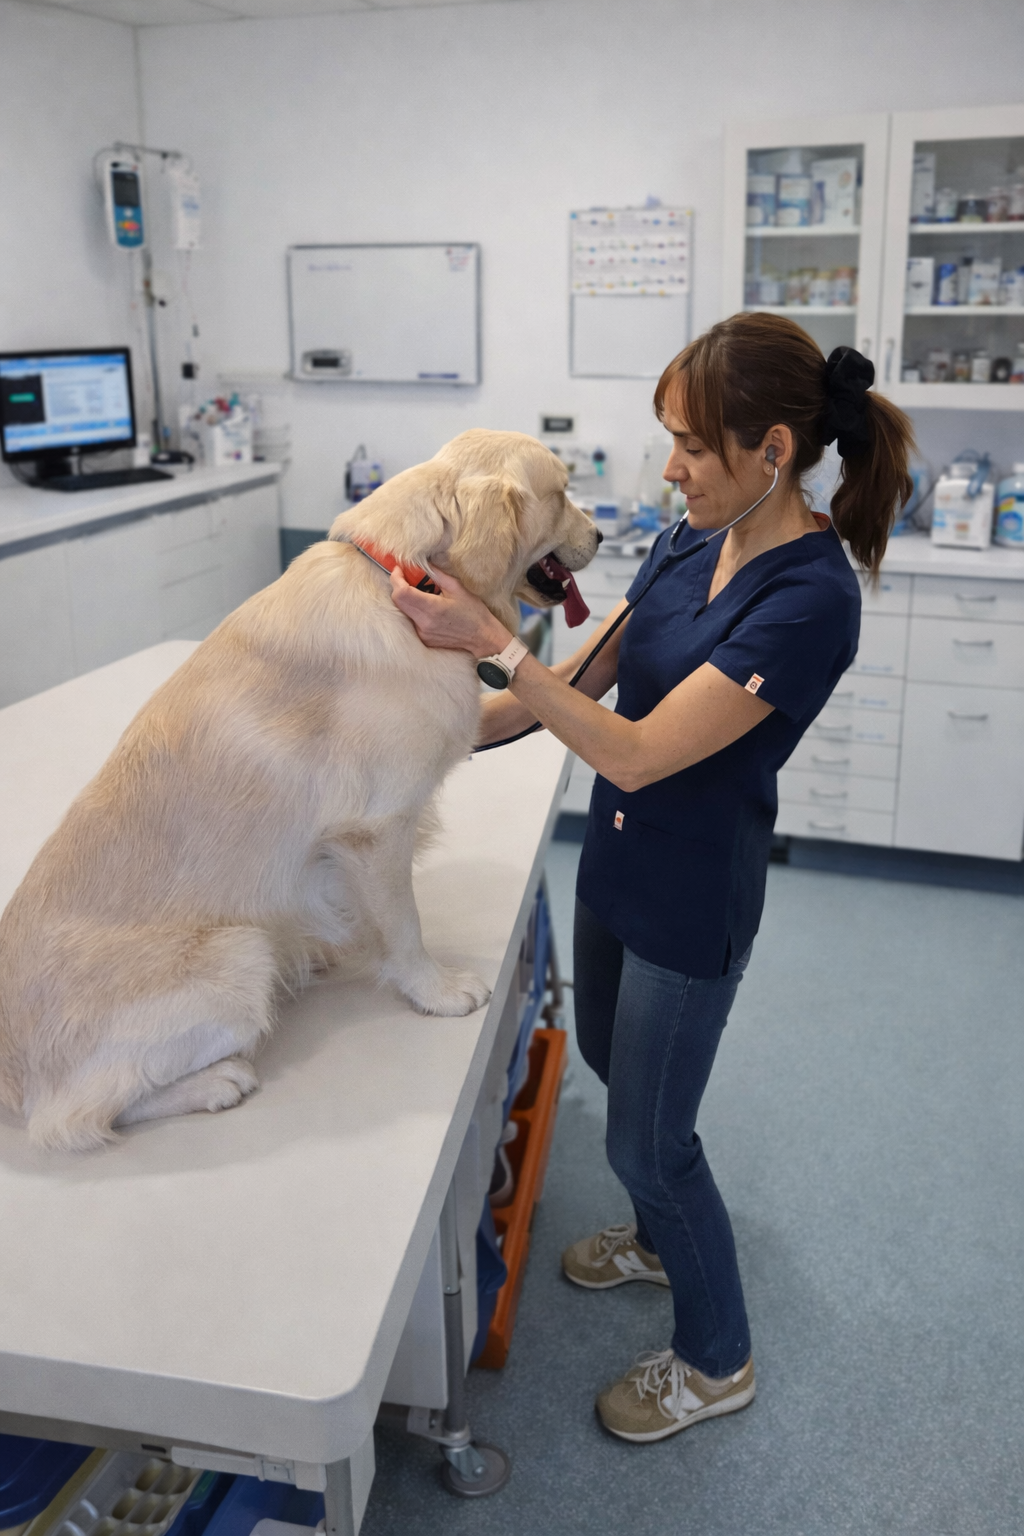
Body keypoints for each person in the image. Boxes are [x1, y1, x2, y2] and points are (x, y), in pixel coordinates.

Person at [390, 313, 914, 1442]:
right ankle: (650, 1237)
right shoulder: (690, 533)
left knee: (650, 1141)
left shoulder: (812, 597)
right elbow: (582, 677)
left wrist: (498, 644)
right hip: (618, 865)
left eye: (688, 443)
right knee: (604, 1060)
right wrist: (425, 719)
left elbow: (630, 745)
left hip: (690, 899)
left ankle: (718, 1358)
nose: (668, 465)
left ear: (770, 450)